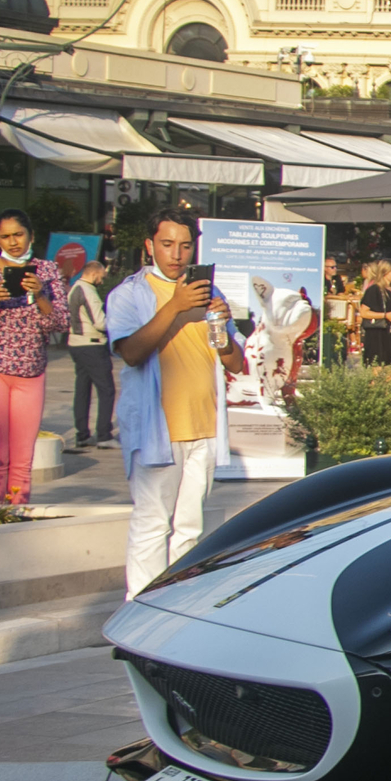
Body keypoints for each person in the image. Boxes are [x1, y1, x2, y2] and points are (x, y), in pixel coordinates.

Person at [109, 210, 248, 596]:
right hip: (158, 429)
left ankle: (176, 605)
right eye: (167, 244)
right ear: (149, 246)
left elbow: (235, 361)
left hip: (203, 427)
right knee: (152, 523)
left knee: (189, 529)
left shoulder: (209, 292)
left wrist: (220, 327)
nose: (177, 254)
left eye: (185, 245)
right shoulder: (129, 294)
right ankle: (139, 607)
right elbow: (132, 353)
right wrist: (174, 306)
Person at [0, 210, 69, 503]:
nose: (13, 242)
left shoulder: (48, 271)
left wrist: (41, 295)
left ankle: (17, 515)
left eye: (18, 234)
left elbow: (60, 324)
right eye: (5, 236)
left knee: (22, 459)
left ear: (30, 234)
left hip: (30, 371)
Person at [65, 259, 115, 450]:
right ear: (94, 274)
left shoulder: (74, 289)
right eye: (101, 277)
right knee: (107, 390)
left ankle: (82, 434)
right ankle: (104, 435)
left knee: (82, 390)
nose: (102, 281)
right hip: (92, 345)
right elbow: (100, 323)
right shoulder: (89, 291)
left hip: (76, 343)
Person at [357, 261, 391, 366]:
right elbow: (364, 312)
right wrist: (384, 315)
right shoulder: (374, 290)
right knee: (377, 368)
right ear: (384, 272)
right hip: (377, 334)